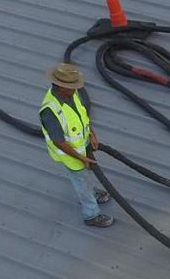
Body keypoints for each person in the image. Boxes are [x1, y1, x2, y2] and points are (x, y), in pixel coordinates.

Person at [40, 61, 115, 228]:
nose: (75, 89)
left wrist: (91, 133)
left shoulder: (71, 95)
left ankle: (92, 193)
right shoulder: (51, 111)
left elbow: (82, 116)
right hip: (70, 155)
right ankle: (91, 215)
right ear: (61, 86)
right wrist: (81, 158)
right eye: (72, 87)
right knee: (81, 182)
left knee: (86, 178)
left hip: (82, 146)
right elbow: (59, 142)